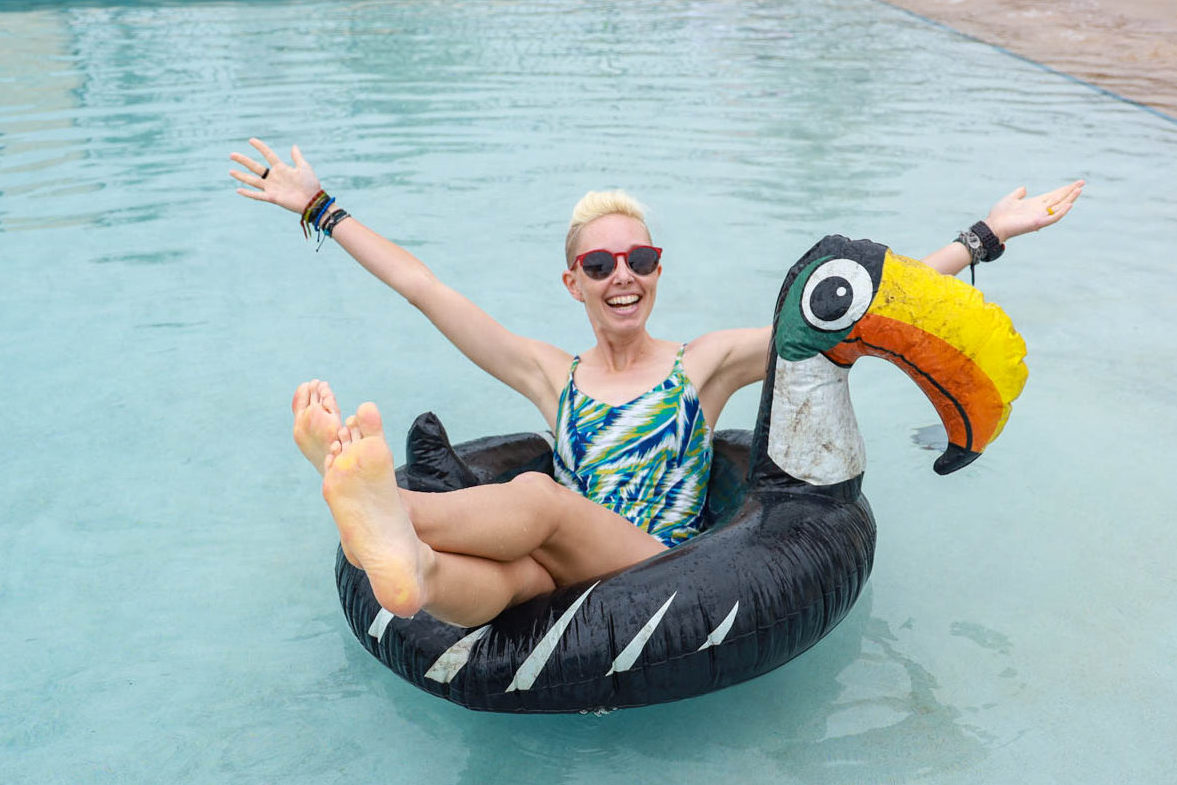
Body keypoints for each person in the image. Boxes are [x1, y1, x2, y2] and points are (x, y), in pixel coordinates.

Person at [230, 138, 1083, 628]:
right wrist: (320, 207)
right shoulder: (549, 374)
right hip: (560, 576)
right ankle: (404, 552)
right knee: (495, 582)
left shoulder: (701, 364)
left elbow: (837, 312)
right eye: (599, 263)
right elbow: (427, 289)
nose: (621, 274)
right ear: (573, 282)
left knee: (541, 498)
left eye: (639, 258)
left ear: (658, 270)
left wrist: (981, 237)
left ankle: (380, 502)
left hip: (660, 575)